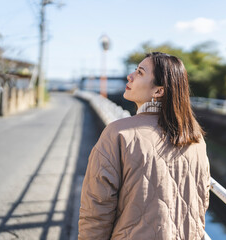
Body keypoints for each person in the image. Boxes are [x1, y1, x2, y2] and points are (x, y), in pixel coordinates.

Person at [78, 52, 210, 240]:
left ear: (158, 91)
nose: (129, 76)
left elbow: (97, 208)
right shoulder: (195, 139)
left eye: (140, 73)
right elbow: (202, 201)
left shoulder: (118, 133)